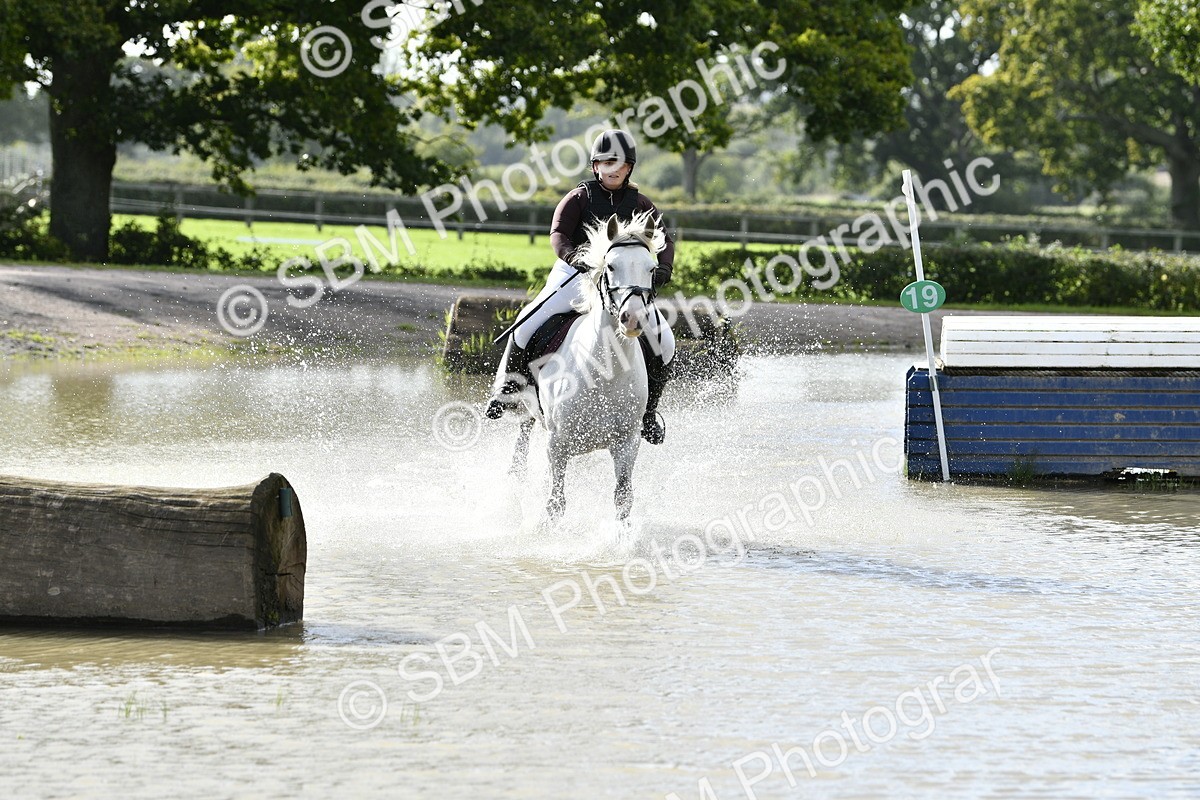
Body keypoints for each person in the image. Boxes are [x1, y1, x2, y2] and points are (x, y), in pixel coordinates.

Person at [484, 129, 676, 444]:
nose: (613, 169)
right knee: (527, 321)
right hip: (574, 275)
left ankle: (649, 412)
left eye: (620, 164)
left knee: (665, 341)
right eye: (605, 162)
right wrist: (576, 257)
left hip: (623, 284)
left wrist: (664, 267)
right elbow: (558, 235)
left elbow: (665, 240)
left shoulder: (640, 202)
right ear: (595, 166)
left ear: (629, 168)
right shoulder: (579, 197)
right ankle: (505, 387)